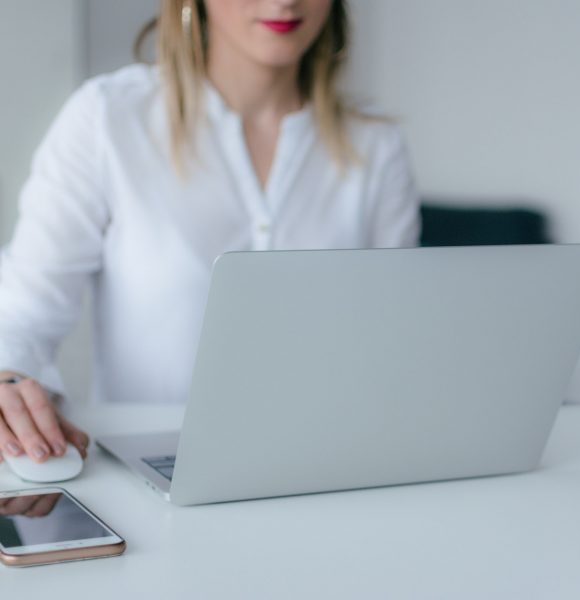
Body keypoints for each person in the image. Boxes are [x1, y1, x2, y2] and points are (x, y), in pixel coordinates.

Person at [0, 0, 420, 465]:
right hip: (152, 471)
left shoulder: (376, 146)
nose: (285, 1)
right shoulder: (108, 119)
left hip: (325, 465)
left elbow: (394, 342)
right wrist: (10, 380)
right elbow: (23, 313)